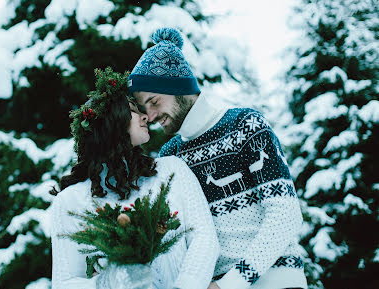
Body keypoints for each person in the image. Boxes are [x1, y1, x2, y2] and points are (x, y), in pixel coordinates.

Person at [129, 28, 308, 289]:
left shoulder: (245, 126)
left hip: (275, 280)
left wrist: (232, 283)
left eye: (154, 101)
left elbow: (286, 215)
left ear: (178, 88)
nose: (152, 116)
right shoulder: (170, 155)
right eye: (145, 109)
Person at [50, 68, 219, 289]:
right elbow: (65, 283)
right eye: (133, 110)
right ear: (111, 123)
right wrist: (107, 283)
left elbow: (204, 238)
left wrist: (186, 285)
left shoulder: (172, 171)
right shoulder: (71, 201)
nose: (146, 116)